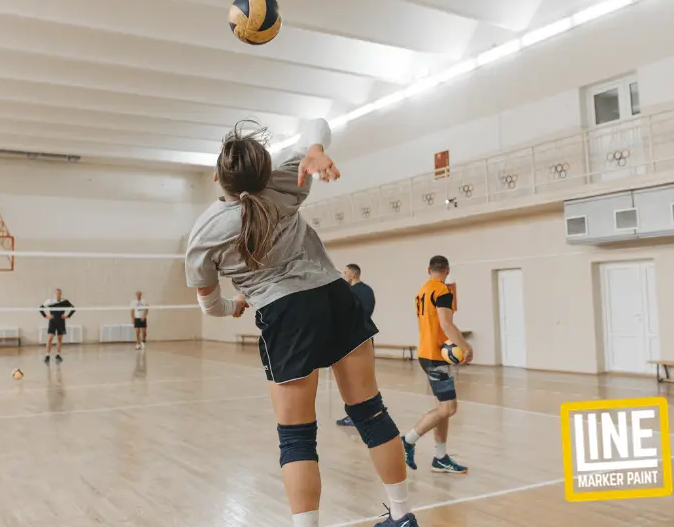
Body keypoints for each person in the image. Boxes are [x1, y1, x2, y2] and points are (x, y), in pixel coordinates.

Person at [185, 119, 418, 527]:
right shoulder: (286, 179)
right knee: (372, 414)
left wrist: (234, 306)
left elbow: (210, 305)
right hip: (335, 296)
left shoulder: (205, 232)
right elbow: (319, 123)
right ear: (264, 168)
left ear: (217, 177)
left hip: (286, 315)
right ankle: (401, 516)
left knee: (297, 437)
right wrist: (314, 147)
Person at [401, 255, 473, 475]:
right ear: (447, 270)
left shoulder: (422, 290)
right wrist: (465, 347)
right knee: (449, 408)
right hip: (434, 356)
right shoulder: (442, 291)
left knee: (444, 408)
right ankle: (409, 440)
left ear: (428, 269)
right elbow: (445, 323)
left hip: (428, 352)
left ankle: (440, 457)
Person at [336, 264, 376, 428]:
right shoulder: (356, 290)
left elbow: (360, 314)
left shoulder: (360, 291)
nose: (344, 275)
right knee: (356, 381)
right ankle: (359, 414)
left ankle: (361, 416)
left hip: (357, 341)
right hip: (355, 340)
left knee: (357, 381)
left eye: (346, 272)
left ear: (353, 274)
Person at [40, 288, 75, 363]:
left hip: (61, 322)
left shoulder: (65, 301)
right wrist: (46, 316)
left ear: (61, 294)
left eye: (59, 293)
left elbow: (73, 308)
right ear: (54, 294)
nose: (58, 295)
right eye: (57, 293)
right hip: (52, 321)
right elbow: (41, 308)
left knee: (59, 338)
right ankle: (47, 355)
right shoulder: (50, 301)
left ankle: (58, 355)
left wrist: (68, 316)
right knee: (50, 338)